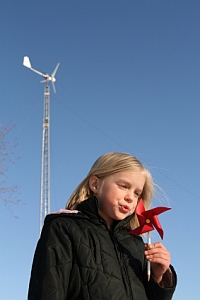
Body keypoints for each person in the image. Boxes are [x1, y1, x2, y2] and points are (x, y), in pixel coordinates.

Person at [28, 152, 177, 300]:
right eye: (124, 186)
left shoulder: (136, 244)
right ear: (95, 184)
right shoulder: (64, 228)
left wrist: (158, 276)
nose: (130, 197)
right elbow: (47, 290)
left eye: (137, 193)